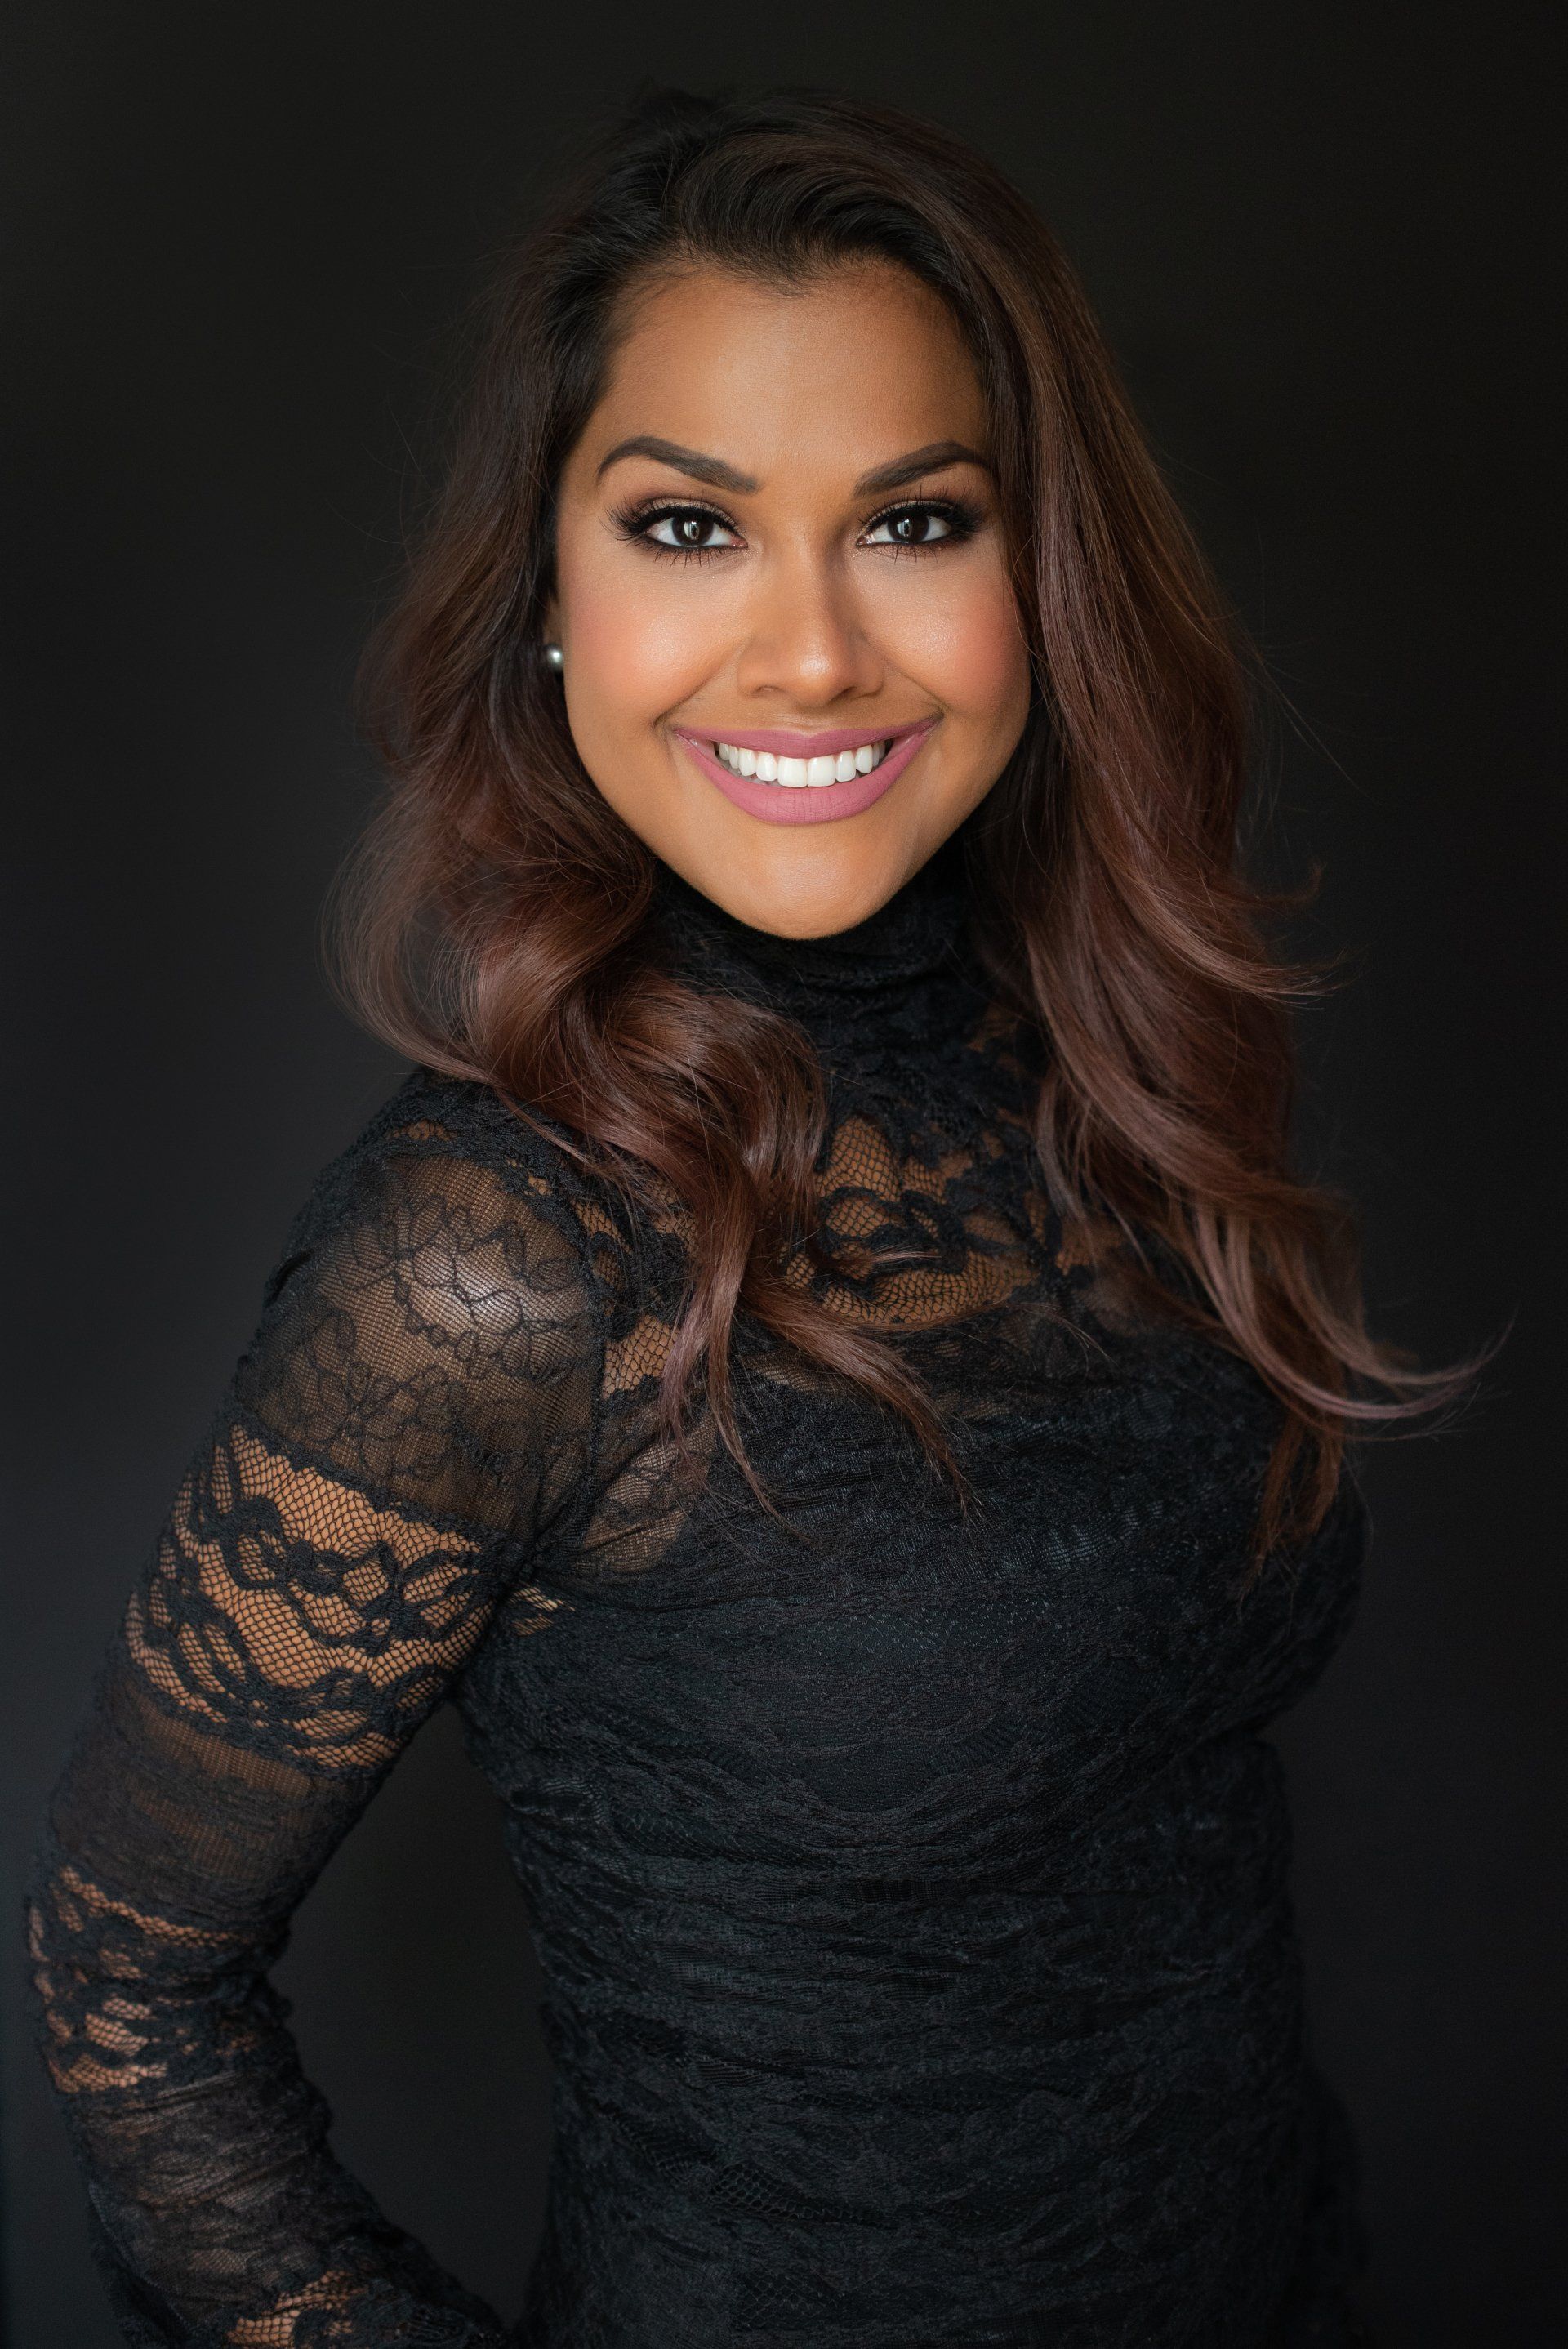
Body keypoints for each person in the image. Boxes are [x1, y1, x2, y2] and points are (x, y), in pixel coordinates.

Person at [27, 84, 1450, 2347]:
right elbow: (126, 1982)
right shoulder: (489, 1262)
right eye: (690, 528)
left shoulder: (1114, 1072)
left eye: (914, 521)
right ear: (554, 597)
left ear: (1038, 574)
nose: (809, 653)